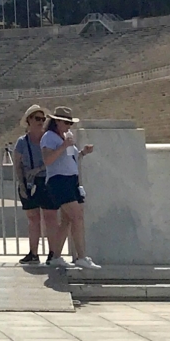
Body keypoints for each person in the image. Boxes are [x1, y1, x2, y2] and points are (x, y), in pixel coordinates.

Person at [45, 112, 99, 270]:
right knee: (77, 216)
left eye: (70, 124)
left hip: (70, 180)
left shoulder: (64, 138)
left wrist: (82, 152)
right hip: (59, 180)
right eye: (66, 123)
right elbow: (48, 159)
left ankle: (56, 256)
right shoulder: (49, 137)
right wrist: (64, 146)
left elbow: (70, 158)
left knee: (67, 220)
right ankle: (81, 257)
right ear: (57, 122)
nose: (69, 126)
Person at [12, 105, 60, 265]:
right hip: (29, 182)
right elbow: (17, 164)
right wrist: (21, 184)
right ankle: (33, 253)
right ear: (29, 121)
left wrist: (39, 169)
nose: (41, 122)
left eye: (42, 119)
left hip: (46, 180)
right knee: (33, 218)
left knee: (50, 217)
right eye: (37, 119)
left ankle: (53, 253)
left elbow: (55, 158)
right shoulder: (22, 142)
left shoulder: (49, 138)